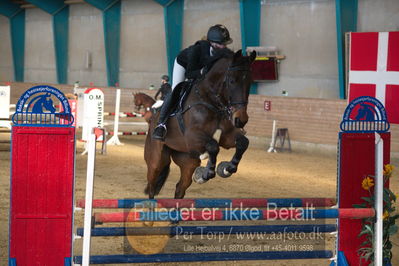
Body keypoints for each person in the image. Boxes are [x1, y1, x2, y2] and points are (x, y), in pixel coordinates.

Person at [152, 24, 233, 141]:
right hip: (184, 66)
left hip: (201, 70)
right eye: (222, 44)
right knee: (176, 89)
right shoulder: (197, 50)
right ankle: (161, 125)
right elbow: (189, 74)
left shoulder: (222, 52)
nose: (224, 46)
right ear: (213, 43)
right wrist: (202, 72)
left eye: (225, 44)